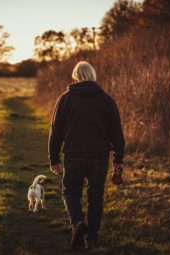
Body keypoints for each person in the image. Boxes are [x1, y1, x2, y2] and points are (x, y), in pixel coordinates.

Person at [48, 61, 125, 250]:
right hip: (99, 156)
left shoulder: (64, 99)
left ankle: (78, 223)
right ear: (92, 75)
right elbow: (117, 132)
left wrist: (54, 158)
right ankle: (92, 237)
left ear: (75, 76)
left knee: (70, 191)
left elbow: (55, 131)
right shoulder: (106, 100)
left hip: (73, 155)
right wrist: (119, 159)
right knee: (95, 196)